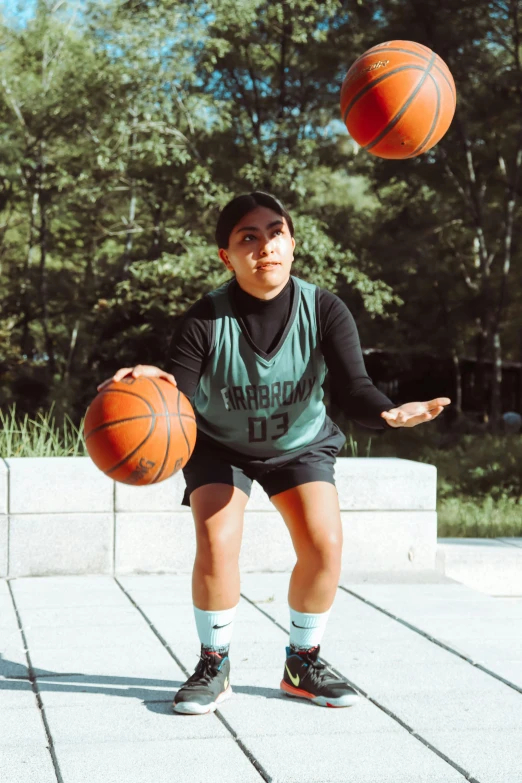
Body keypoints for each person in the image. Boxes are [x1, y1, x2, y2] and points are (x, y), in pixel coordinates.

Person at [98, 191, 451, 714]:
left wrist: (387, 413)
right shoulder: (205, 319)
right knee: (217, 539)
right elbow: (182, 395)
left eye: (275, 233)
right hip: (222, 446)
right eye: (248, 237)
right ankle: (214, 664)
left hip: (299, 443)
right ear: (227, 256)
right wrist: (157, 382)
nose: (265, 246)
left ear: (293, 243)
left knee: (324, 543)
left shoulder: (325, 309)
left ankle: (301, 662)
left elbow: (354, 389)